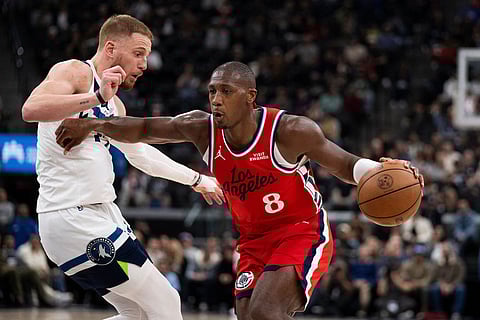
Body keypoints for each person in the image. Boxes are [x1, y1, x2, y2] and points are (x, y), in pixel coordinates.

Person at [55, 61, 423, 319]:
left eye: (226, 91)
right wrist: (92, 125)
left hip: (301, 230)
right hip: (252, 239)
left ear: (250, 97)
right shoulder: (202, 128)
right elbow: (144, 129)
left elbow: (344, 164)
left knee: (265, 311)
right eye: (212, 91)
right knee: (248, 315)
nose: (215, 99)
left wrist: (378, 170)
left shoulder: (291, 130)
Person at [22, 14, 224, 320]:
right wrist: (96, 97)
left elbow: (139, 154)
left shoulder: (115, 107)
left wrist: (195, 178)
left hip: (101, 216)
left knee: (138, 314)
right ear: (111, 48)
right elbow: (30, 109)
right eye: (138, 53)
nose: (144, 64)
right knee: (167, 303)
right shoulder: (76, 72)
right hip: (73, 217)